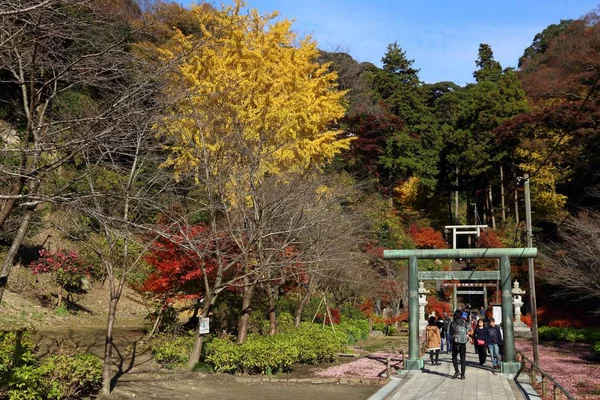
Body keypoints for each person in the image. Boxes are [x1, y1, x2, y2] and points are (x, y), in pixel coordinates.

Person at [450, 309, 468, 379]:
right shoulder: (464, 323)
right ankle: (463, 374)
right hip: (463, 343)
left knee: (454, 357)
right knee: (463, 359)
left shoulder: (453, 323)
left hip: (455, 343)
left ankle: (457, 371)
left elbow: (450, 333)